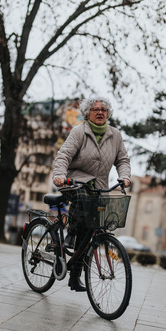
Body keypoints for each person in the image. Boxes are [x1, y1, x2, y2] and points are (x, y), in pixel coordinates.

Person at [53, 97, 131, 291]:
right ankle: (70, 233)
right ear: (87, 113)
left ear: (108, 114)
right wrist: (59, 175)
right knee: (82, 197)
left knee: (90, 232)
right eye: (95, 109)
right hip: (74, 181)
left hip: (100, 186)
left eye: (104, 109)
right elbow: (64, 155)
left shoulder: (115, 135)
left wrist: (125, 177)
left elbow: (122, 160)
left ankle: (75, 277)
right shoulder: (79, 132)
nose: (100, 112)